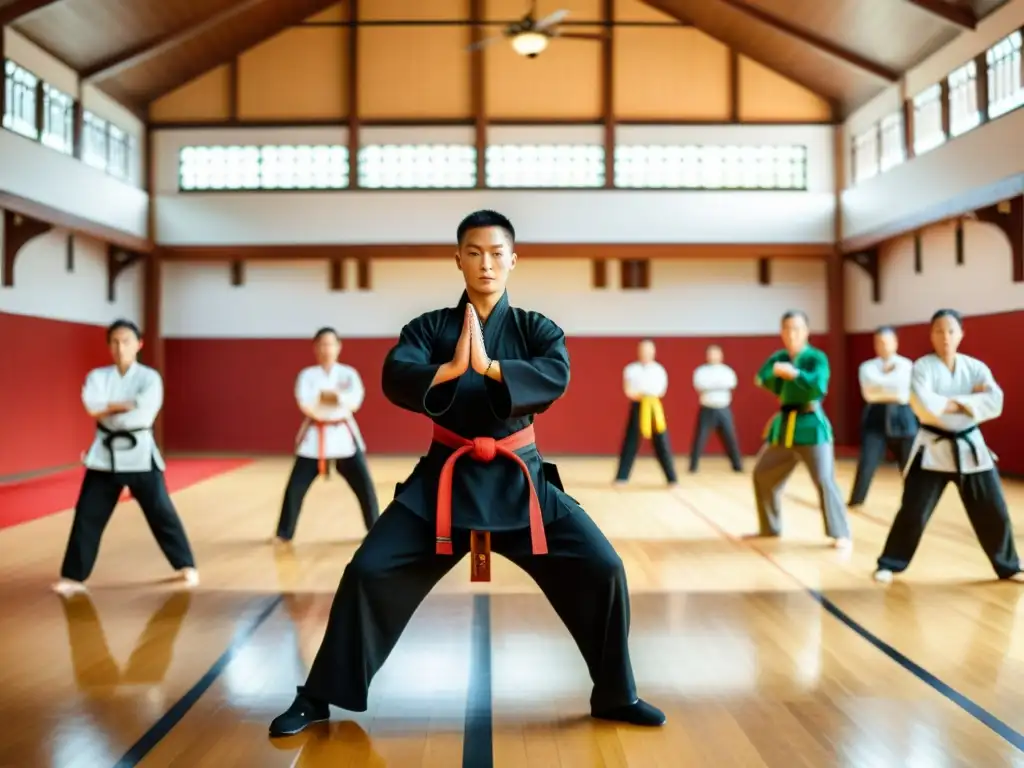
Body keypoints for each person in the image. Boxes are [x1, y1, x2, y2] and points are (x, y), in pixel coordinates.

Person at [269, 209, 665, 737]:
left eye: (497, 253)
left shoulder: (534, 328)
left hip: (522, 484)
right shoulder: (431, 328)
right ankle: (317, 696)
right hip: (443, 485)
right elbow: (396, 373)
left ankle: (617, 694)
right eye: (474, 252)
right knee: (367, 571)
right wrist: (451, 370)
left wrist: (493, 369)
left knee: (604, 569)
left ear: (513, 260)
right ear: (457, 260)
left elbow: (556, 374)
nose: (486, 263)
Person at [874, 309, 1023, 584]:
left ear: (961, 334)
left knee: (994, 508)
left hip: (971, 447)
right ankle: (890, 563)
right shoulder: (922, 368)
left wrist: (950, 402)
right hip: (932, 448)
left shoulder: (975, 367)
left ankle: (1009, 565)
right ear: (931, 335)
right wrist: (969, 402)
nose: (945, 337)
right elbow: (926, 407)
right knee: (913, 510)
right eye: (939, 331)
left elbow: (995, 402)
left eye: (951, 331)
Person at [52, 319, 199, 596]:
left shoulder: (150, 378)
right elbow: (91, 408)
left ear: (139, 344)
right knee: (88, 515)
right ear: (108, 346)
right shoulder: (98, 376)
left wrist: (110, 407)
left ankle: (185, 565)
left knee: (161, 511)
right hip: (104, 455)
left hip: (140, 452)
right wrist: (123, 405)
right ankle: (73, 576)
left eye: (127, 341)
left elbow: (144, 412)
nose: (121, 348)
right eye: (115, 342)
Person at [749, 310, 852, 549]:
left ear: (806, 331)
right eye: (786, 328)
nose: (791, 333)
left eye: (796, 328)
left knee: (824, 479)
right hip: (784, 427)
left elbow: (818, 385)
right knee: (763, 473)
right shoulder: (779, 357)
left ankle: (840, 532)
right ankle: (770, 527)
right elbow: (762, 377)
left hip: (811, 425)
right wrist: (775, 373)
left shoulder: (816, 358)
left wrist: (795, 374)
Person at [272, 327, 379, 543]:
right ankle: (284, 533)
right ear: (315, 348)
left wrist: (332, 397)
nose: (326, 348)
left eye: (330, 344)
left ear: (339, 347)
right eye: (322, 344)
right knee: (295, 487)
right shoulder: (307, 375)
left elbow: (355, 401)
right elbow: (305, 402)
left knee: (365, 485)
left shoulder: (348, 373)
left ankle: (376, 529)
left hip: (343, 434)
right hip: (315, 434)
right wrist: (334, 398)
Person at [848, 326, 917, 508]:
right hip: (875, 416)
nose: (882, 346)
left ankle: (914, 502)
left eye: (886, 342)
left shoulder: (907, 365)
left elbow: (902, 391)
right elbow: (869, 393)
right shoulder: (867, 367)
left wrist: (881, 385)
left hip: (903, 416)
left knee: (909, 464)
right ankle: (857, 500)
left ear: (895, 343)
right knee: (867, 461)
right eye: (878, 342)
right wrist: (890, 385)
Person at [613, 339, 678, 486]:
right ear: (638, 351)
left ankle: (672, 478)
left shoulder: (659, 370)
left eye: (649, 350)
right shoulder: (631, 369)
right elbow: (628, 390)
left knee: (662, 442)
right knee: (631, 441)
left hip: (654, 406)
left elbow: (662, 390)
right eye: (643, 350)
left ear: (654, 351)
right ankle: (622, 477)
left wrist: (649, 395)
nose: (646, 353)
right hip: (638, 405)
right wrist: (640, 395)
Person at [688, 344, 743, 473]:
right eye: (710, 354)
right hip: (707, 408)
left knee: (730, 438)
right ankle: (693, 466)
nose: (713, 356)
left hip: (723, 408)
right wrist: (717, 384)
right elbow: (700, 384)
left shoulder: (727, 371)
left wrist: (712, 385)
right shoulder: (701, 371)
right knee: (700, 438)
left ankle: (737, 466)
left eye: (715, 353)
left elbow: (731, 383)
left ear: (721, 355)